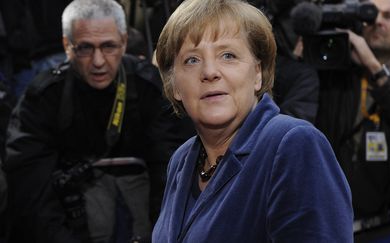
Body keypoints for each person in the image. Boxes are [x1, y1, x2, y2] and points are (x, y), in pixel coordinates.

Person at [152, 0, 353, 242]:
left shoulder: (293, 144)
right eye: (192, 60)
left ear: (258, 73)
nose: (209, 72)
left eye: (228, 55)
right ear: (174, 85)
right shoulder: (182, 160)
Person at [3, 0, 193, 242]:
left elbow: (171, 172)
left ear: (124, 42)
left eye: (109, 47)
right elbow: (30, 190)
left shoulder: (150, 88)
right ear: (67, 46)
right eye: (85, 48)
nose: (98, 61)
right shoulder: (43, 98)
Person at [314, 0, 390, 241]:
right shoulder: (336, 63)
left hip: (389, 226)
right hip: (332, 222)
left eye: (389, 16)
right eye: (370, 14)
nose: (377, 21)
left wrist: (374, 66)